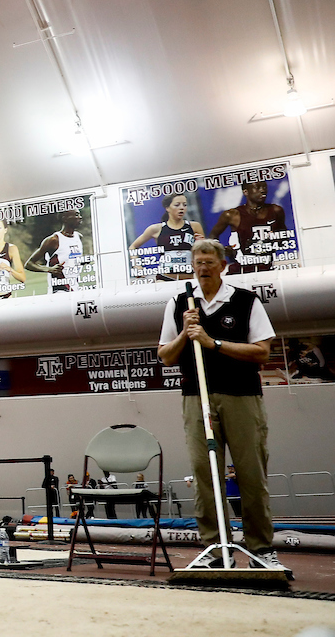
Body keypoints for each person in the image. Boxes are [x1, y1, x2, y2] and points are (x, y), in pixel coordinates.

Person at [158, 238, 284, 570]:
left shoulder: (245, 301)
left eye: (209, 262)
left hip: (242, 397)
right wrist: (187, 333)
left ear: (223, 265)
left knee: (250, 475)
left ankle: (260, 549)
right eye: (198, 262)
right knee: (205, 474)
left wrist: (212, 343)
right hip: (196, 398)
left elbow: (261, 351)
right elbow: (165, 357)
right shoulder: (180, 303)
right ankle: (215, 551)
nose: (203, 268)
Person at [208, 181, 287, 275]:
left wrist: (270, 242)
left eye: (264, 187)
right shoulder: (232, 215)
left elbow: (284, 236)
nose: (262, 190)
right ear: (246, 192)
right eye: (257, 187)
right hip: (240, 269)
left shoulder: (276, 211)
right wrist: (222, 250)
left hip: (267, 268)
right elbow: (213, 236)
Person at [129, 193, 204, 281]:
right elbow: (132, 247)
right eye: (177, 205)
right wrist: (137, 266)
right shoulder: (156, 228)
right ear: (167, 208)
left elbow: (206, 252)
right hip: (165, 278)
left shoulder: (194, 226)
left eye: (185, 205)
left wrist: (202, 243)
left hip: (188, 279)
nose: (181, 208)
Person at [24, 209, 89, 293]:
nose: (80, 217)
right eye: (76, 215)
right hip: (60, 290)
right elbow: (29, 264)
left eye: (79, 215)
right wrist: (49, 269)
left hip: (75, 288)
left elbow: (69, 260)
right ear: (65, 218)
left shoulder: (78, 237)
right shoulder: (53, 240)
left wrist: (83, 261)